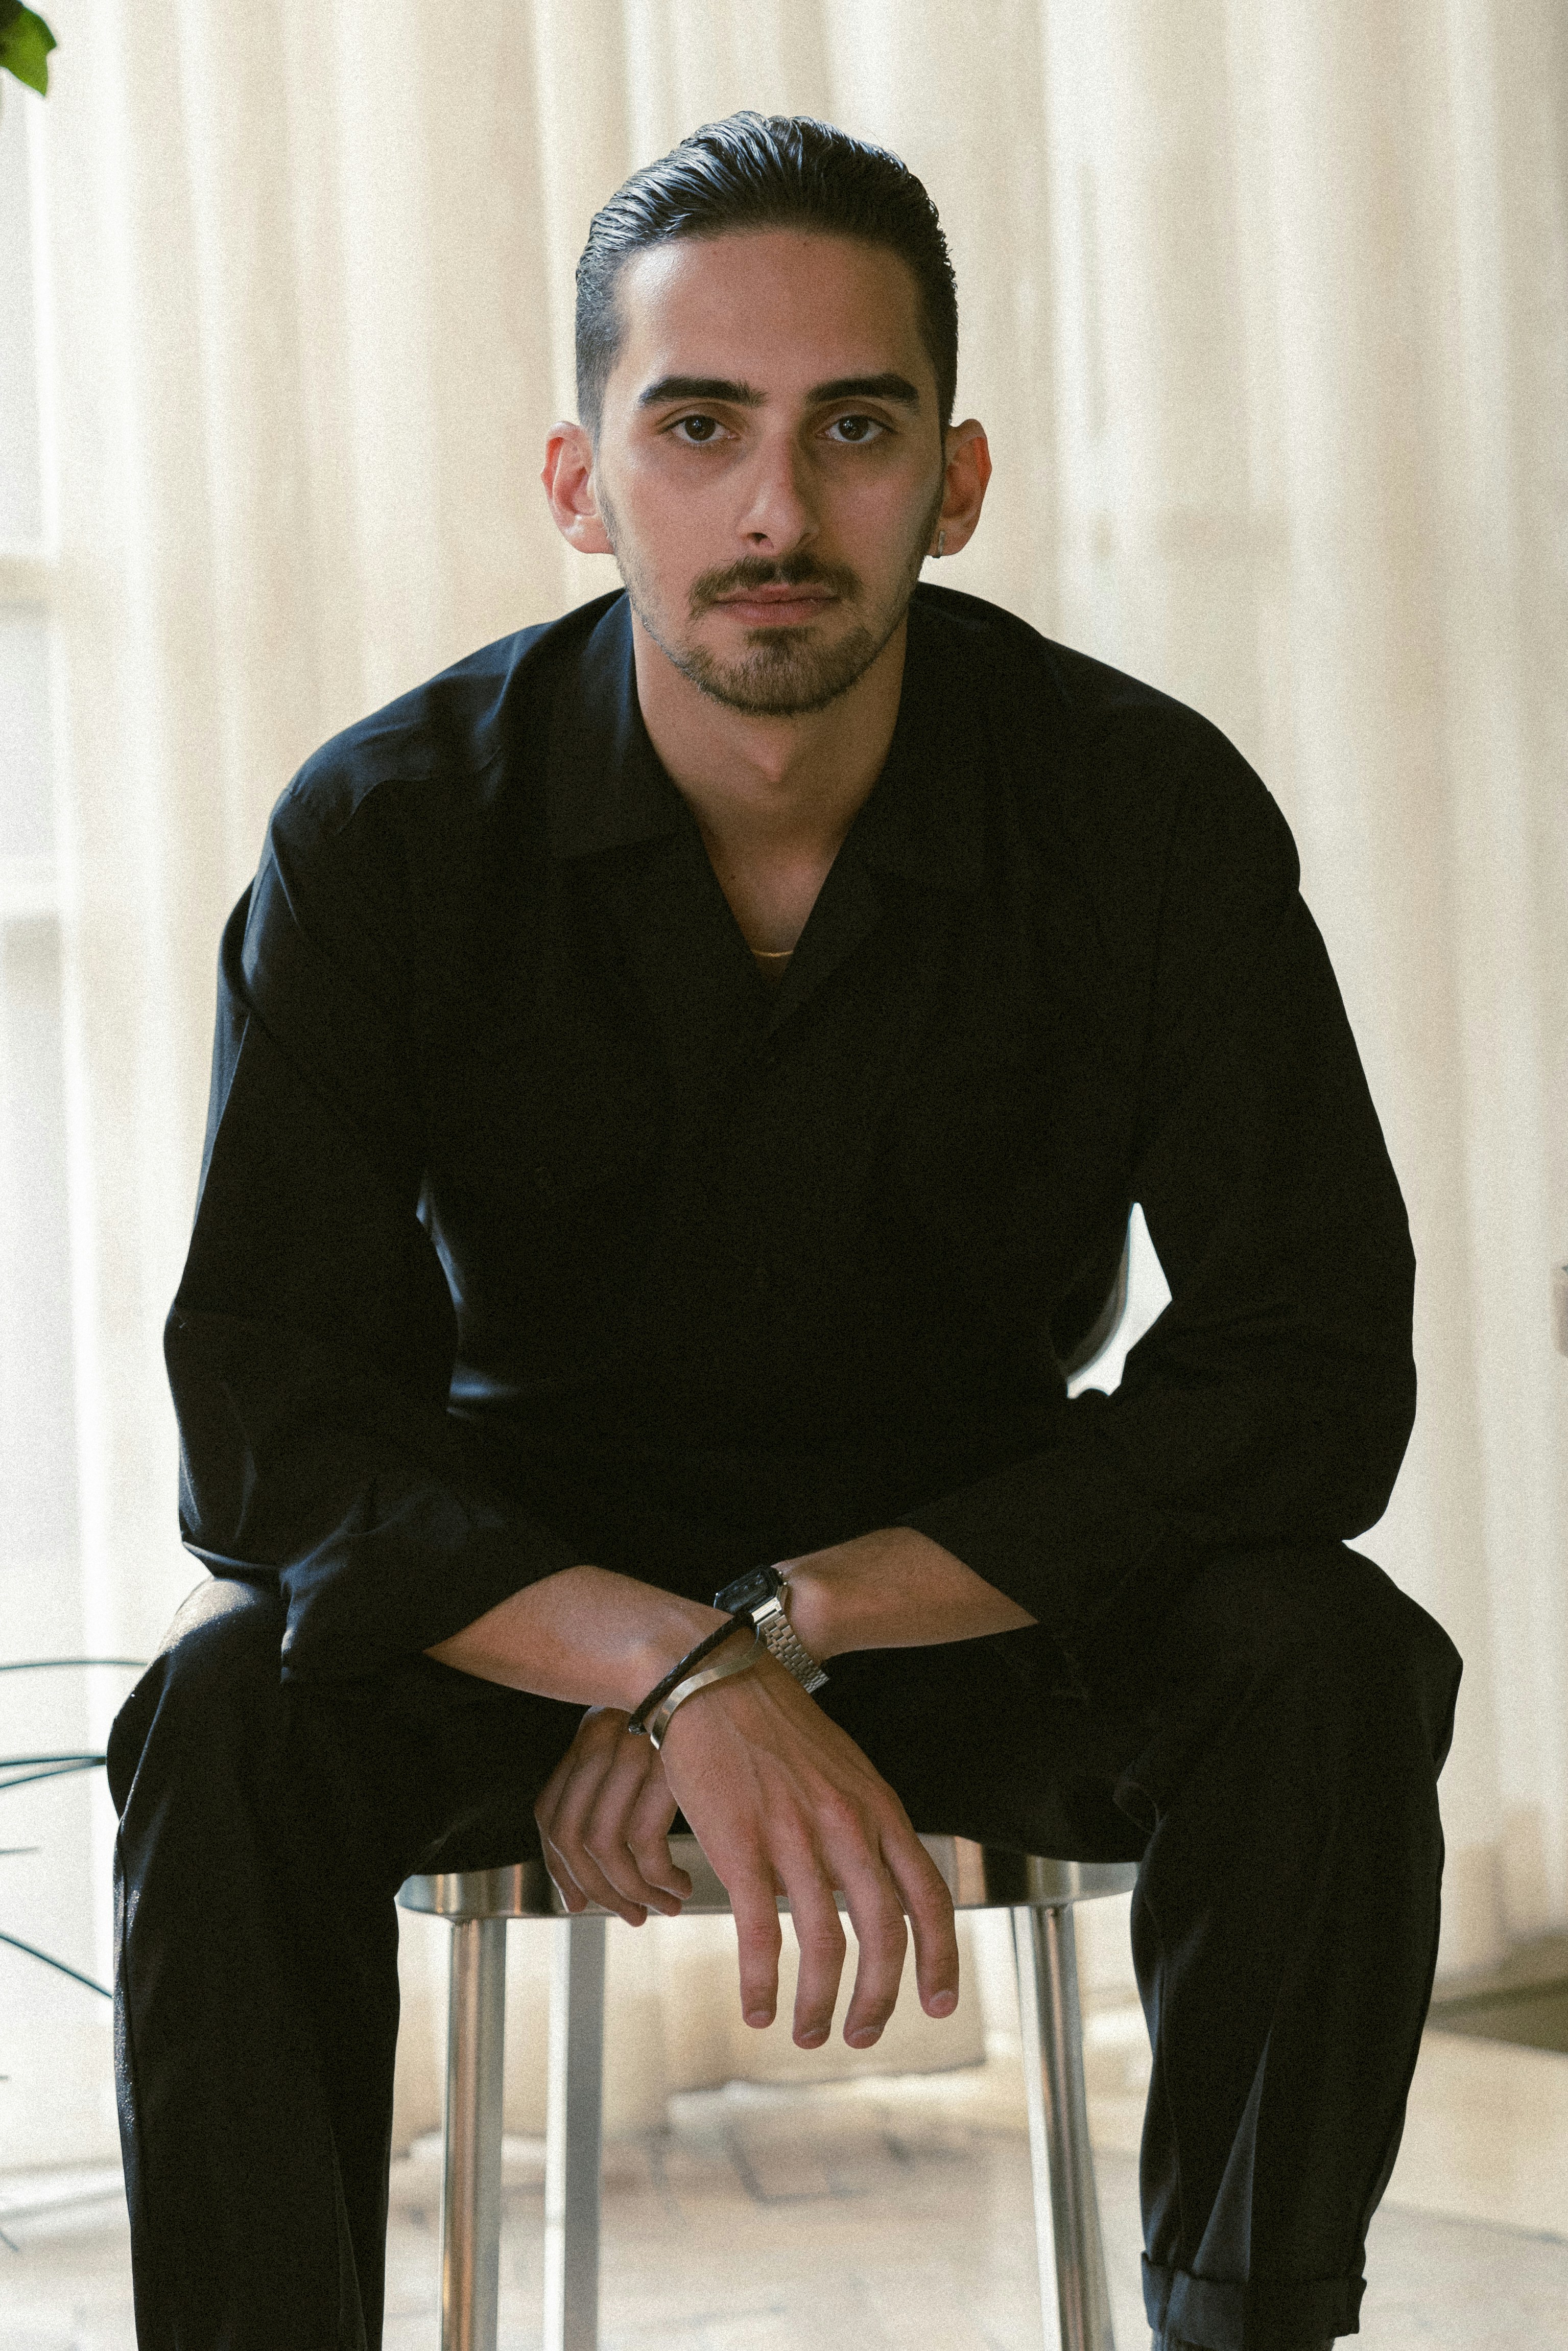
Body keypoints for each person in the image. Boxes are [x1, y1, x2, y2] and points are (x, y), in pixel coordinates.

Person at [108, 112, 1461, 2351]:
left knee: (1328, 1653)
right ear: (579, 480)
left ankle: (1246, 2330)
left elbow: (1311, 1368)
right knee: (221, 1719)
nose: (774, 511)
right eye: (698, 425)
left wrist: (789, 1626)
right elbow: (264, 1423)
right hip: (533, 1601)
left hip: (966, 1579)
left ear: (957, 477)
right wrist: (662, 1658)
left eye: (854, 428)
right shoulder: (386, 834)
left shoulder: (1139, 811)